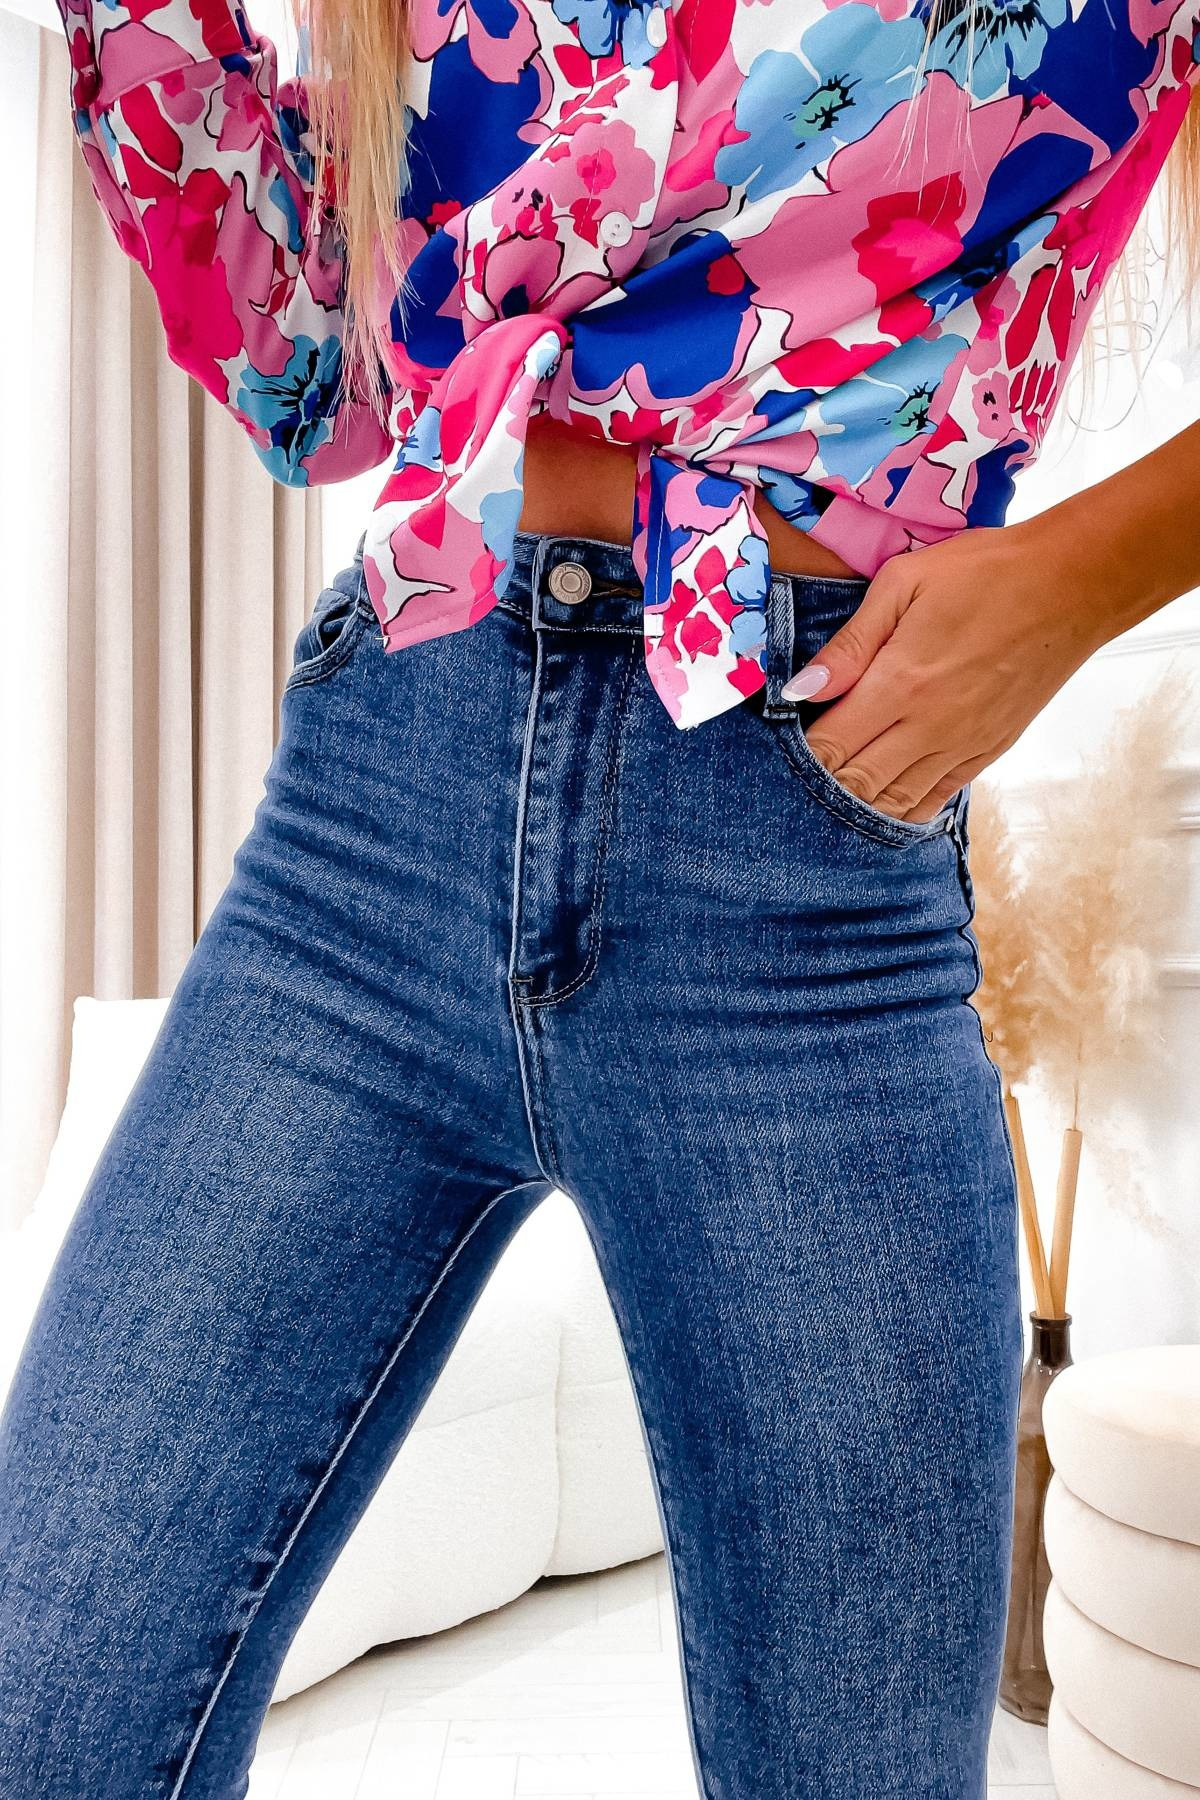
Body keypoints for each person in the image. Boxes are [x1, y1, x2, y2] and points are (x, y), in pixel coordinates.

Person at [3, 0, 1200, 1794]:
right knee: (51, 1714)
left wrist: (1068, 590)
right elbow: (314, 381)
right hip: (380, 808)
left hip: (800, 861)